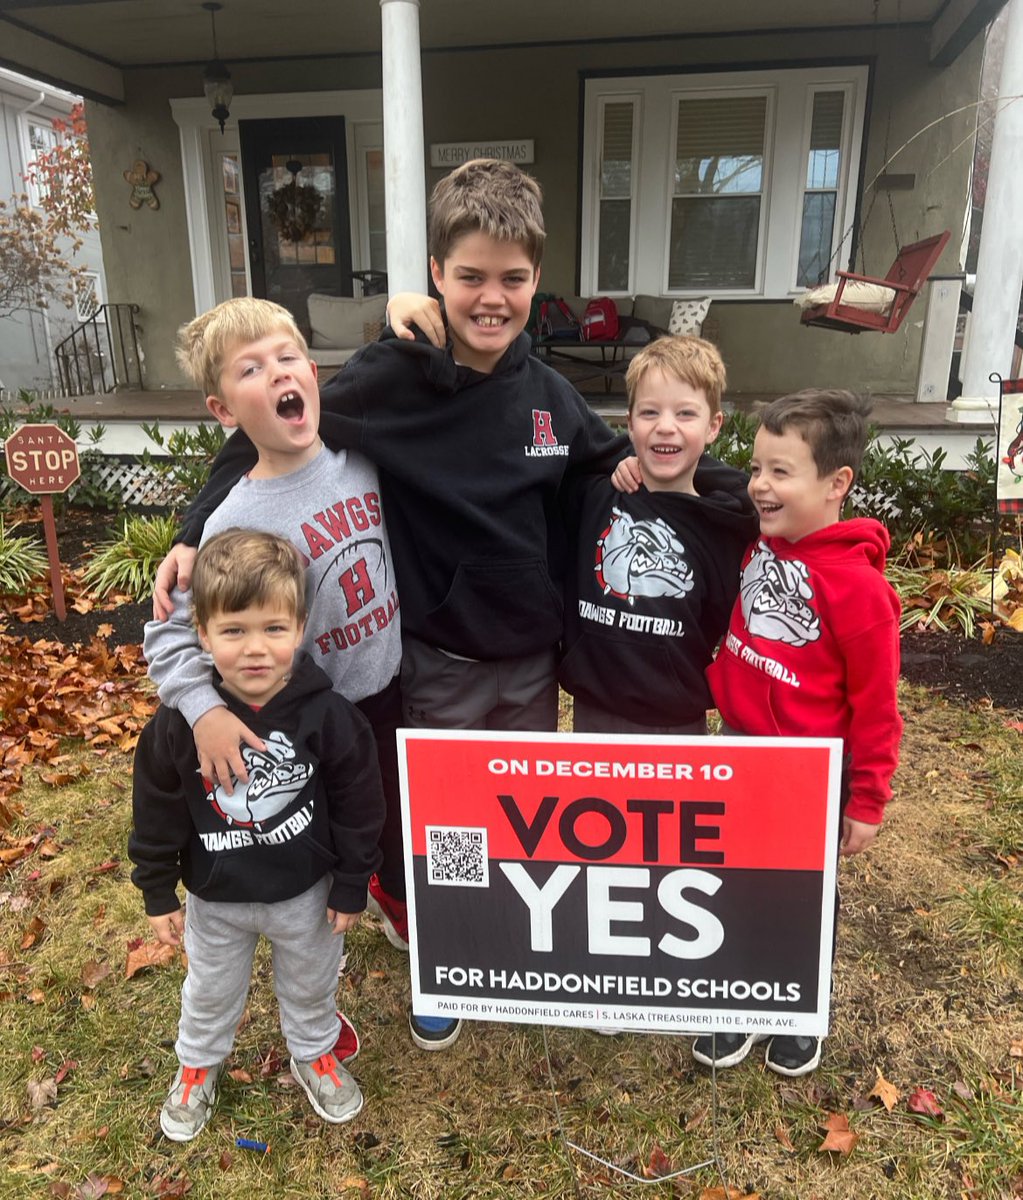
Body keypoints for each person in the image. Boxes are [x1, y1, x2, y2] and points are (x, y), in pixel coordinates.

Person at [153, 159, 629, 1052]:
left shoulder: (550, 394)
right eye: (470, 277)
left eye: (514, 279)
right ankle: (443, 955)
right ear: (437, 278)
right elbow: (273, 431)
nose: (493, 298)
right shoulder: (388, 380)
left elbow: (605, 466)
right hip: (437, 658)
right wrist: (192, 525)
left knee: (518, 807)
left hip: (530, 658)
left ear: (537, 281)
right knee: (444, 816)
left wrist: (685, 485)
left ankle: (509, 939)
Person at [143, 296, 407, 982]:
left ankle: (398, 900)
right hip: (313, 714)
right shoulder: (233, 519)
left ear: (314, 374)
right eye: (251, 368)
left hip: (392, 686)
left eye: (288, 358)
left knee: (395, 818)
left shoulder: (362, 456)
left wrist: (403, 306)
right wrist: (203, 712)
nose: (278, 373)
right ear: (223, 411)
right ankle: (333, 923)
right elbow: (170, 629)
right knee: (332, 826)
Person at [129, 530, 385, 1140]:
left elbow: (359, 805)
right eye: (234, 630)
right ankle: (197, 1064)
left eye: (273, 629)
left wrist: (352, 883)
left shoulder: (329, 716)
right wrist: (157, 891)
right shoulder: (177, 726)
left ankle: (314, 1052)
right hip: (217, 899)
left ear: (300, 629)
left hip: (306, 895)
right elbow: (156, 810)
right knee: (210, 988)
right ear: (202, 634)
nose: (255, 649)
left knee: (312, 980)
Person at [697, 389, 903, 1077]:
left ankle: (798, 1006)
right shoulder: (764, 541)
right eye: (755, 467)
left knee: (798, 896)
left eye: (780, 471)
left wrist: (865, 799)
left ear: (836, 483)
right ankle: (739, 1003)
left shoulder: (861, 594)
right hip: (736, 748)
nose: (757, 484)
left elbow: (876, 710)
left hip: (807, 772)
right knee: (729, 881)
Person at [560, 335, 757, 734]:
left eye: (686, 414)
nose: (665, 427)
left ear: (714, 426)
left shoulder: (728, 527)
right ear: (629, 425)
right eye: (649, 413)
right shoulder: (594, 495)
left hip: (677, 722)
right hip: (593, 711)